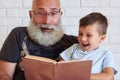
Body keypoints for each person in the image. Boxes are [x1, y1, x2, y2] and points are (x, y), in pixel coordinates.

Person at [0, 0, 78, 80]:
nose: (47, 21)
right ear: (31, 15)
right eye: (40, 13)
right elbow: (4, 75)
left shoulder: (74, 44)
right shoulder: (18, 35)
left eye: (53, 13)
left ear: (60, 15)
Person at [59, 12, 118, 80]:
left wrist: (81, 76)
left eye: (88, 35)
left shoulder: (106, 54)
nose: (83, 39)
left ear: (102, 38)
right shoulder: (74, 48)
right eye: (80, 34)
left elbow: (108, 76)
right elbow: (60, 67)